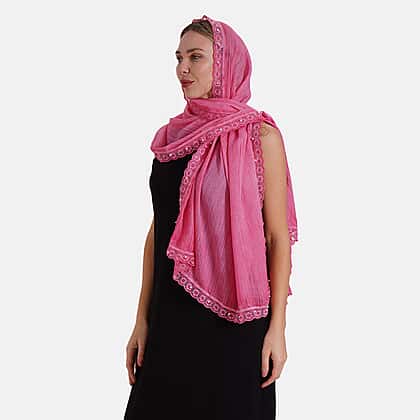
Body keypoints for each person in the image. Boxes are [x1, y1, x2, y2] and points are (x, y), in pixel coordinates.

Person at [123, 15, 298, 420]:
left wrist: (278, 329)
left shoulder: (260, 137)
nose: (182, 69)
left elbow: (276, 238)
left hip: (235, 323)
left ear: (225, 63)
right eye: (178, 58)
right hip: (169, 317)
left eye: (195, 57)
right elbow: (159, 231)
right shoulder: (172, 138)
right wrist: (141, 320)